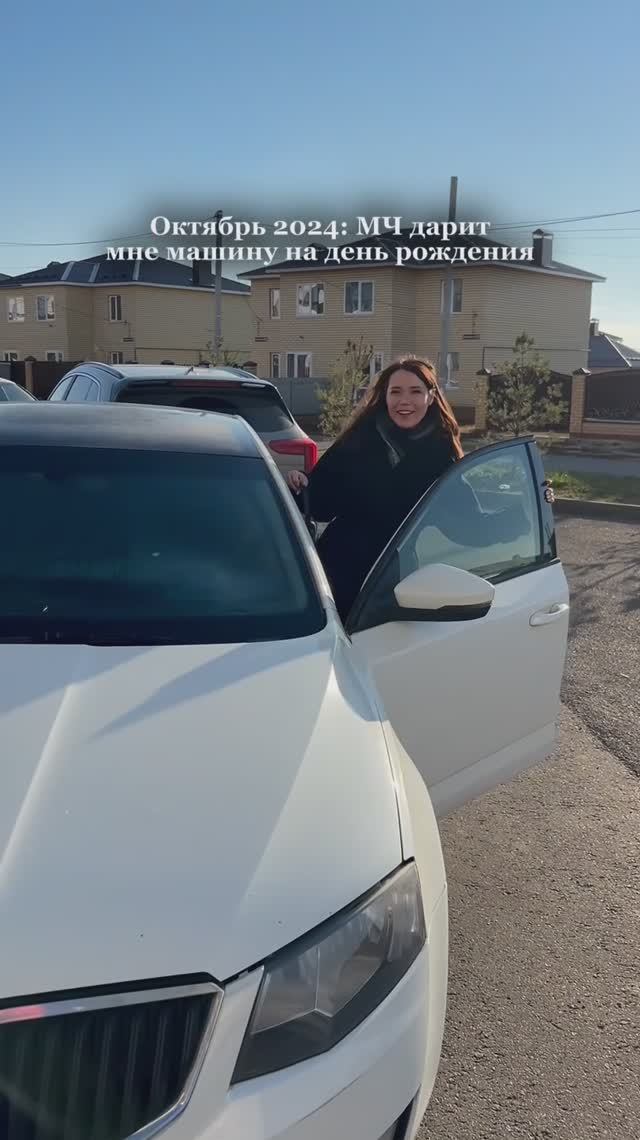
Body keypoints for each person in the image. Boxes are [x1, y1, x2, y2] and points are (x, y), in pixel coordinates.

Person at [286, 357, 465, 621]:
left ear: (431, 396)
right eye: (396, 391)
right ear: (385, 396)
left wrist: (517, 516)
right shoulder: (360, 439)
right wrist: (300, 483)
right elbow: (321, 503)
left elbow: (462, 523)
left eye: (415, 391)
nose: (405, 400)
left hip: (395, 579)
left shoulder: (442, 454)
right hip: (337, 570)